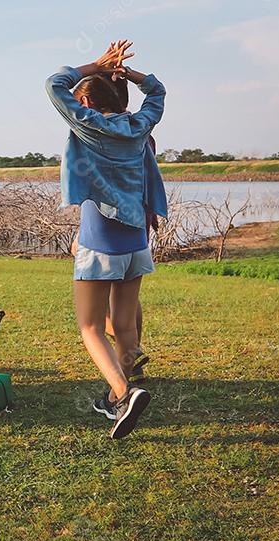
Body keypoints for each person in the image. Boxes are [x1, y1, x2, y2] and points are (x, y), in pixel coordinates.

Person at [46, 40, 167, 439]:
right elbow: (158, 92)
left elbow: (53, 84)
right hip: (136, 243)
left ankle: (123, 391)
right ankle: (117, 399)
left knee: (91, 327)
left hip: (99, 243)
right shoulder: (139, 127)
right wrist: (128, 74)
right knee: (126, 325)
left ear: (89, 103)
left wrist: (93, 66)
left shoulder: (89, 125)